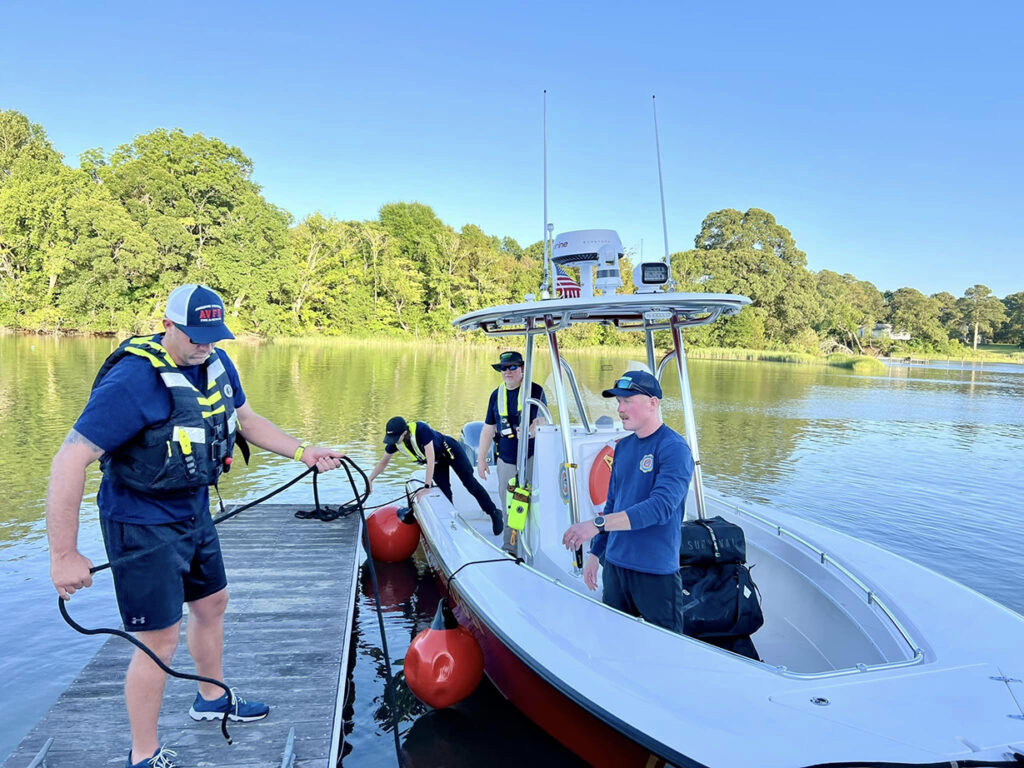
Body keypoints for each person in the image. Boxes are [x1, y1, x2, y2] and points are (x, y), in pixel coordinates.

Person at [46, 284, 344, 768]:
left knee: (213, 603)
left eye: (213, 335)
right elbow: (69, 460)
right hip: (139, 522)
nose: (205, 345)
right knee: (158, 637)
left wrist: (302, 451)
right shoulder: (132, 382)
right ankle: (144, 755)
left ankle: (210, 698)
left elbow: (245, 420)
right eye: (195, 336)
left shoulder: (217, 365)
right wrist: (64, 554)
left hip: (192, 511)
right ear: (168, 325)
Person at [561, 370, 693, 633]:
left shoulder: (674, 448)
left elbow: (661, 507)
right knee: (613, 641)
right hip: (616, 568)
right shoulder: (623, 447)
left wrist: (596, 525)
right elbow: (613, 504)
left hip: (655, 573)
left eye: (627, 400)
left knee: (663, 653)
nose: (620, 408)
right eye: (618, 401)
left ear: (653, 403)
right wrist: (596, 554)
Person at [368, 416, 503, 536]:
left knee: (470, 483)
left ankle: (493, 512)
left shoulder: (421, 429)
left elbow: (430, 459)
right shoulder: (395, 442)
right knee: (445, 492)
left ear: (404, 432)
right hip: (439, 461)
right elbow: (383, 462)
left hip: (450, 450)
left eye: (395, 438)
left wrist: (427, 486)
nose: (393, 441)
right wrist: (370, 479)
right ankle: (452, 527)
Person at [475, 350, 546, 549]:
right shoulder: (495, 395)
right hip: (505, 460)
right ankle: (510, 548)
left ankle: (533, 548)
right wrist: (481, 459)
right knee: (509, 507)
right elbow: (488, 429)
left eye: (512, 367)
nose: (508, 371)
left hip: (531, 458)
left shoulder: (537, 390)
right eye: (504, 368)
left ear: (522, 369)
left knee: (532, 505)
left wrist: (531, 430)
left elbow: (543, 420)